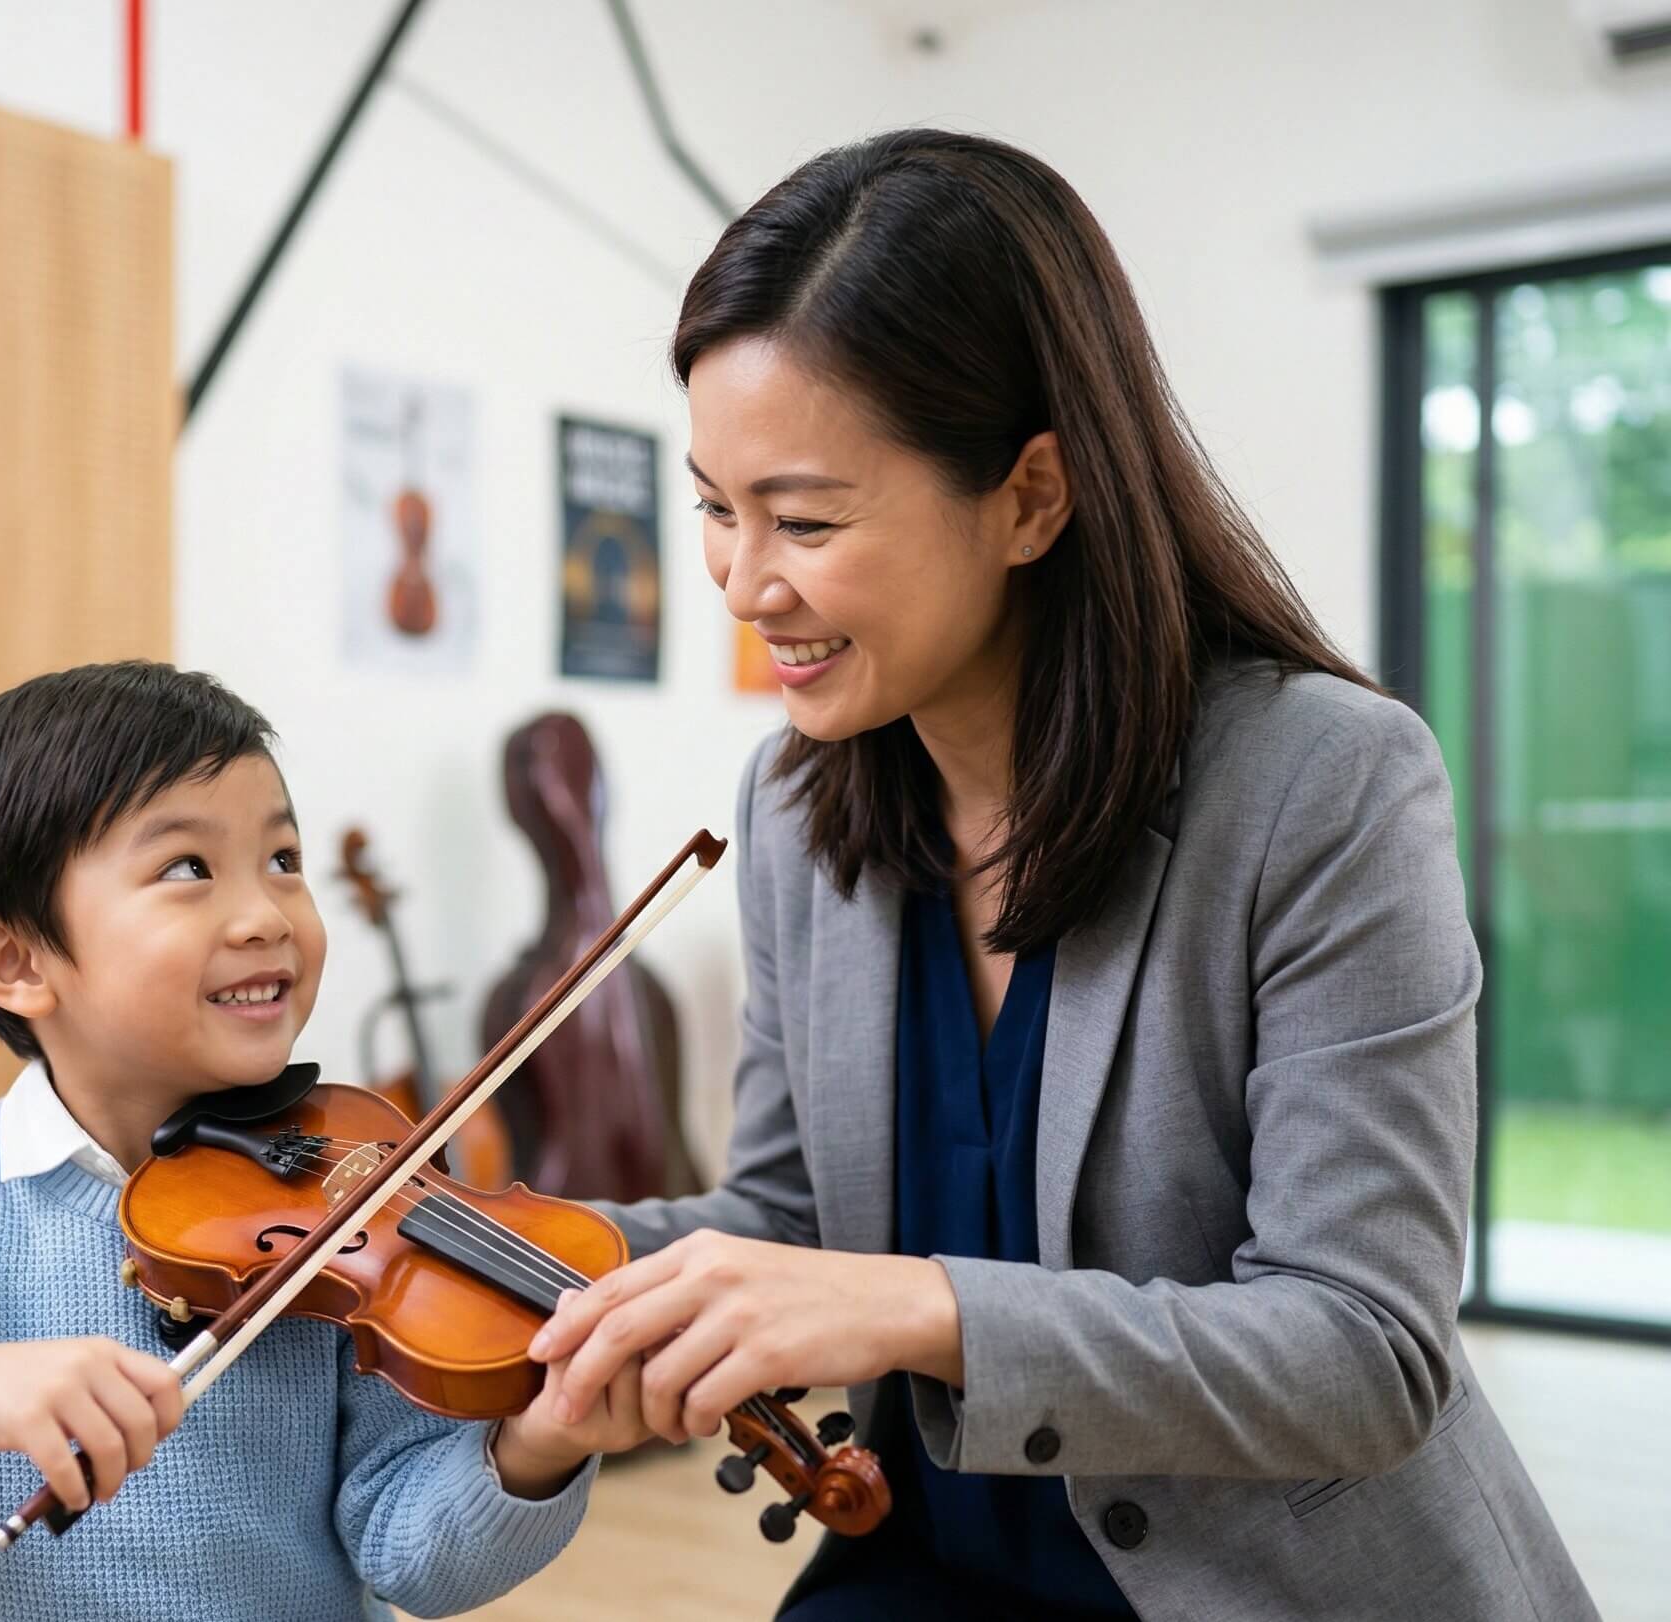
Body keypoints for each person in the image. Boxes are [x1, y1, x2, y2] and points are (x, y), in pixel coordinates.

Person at [528, 130, 1596, 1620]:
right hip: (929, 1563)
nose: (744, 579)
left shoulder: (1328, 784)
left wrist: (921, 1302)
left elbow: (1367, 1349)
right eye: (716, 505)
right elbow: (789, 1216)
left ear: (1034, 494)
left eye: (808, 518)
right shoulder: (791, 805)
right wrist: (500, 1241)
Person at [0, 660, 646, 1622]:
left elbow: (413, 1556)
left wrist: (535, 1448)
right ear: (14, 958)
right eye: (187, 868)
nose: (266, 915)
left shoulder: (355, 1194)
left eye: (283, 860)